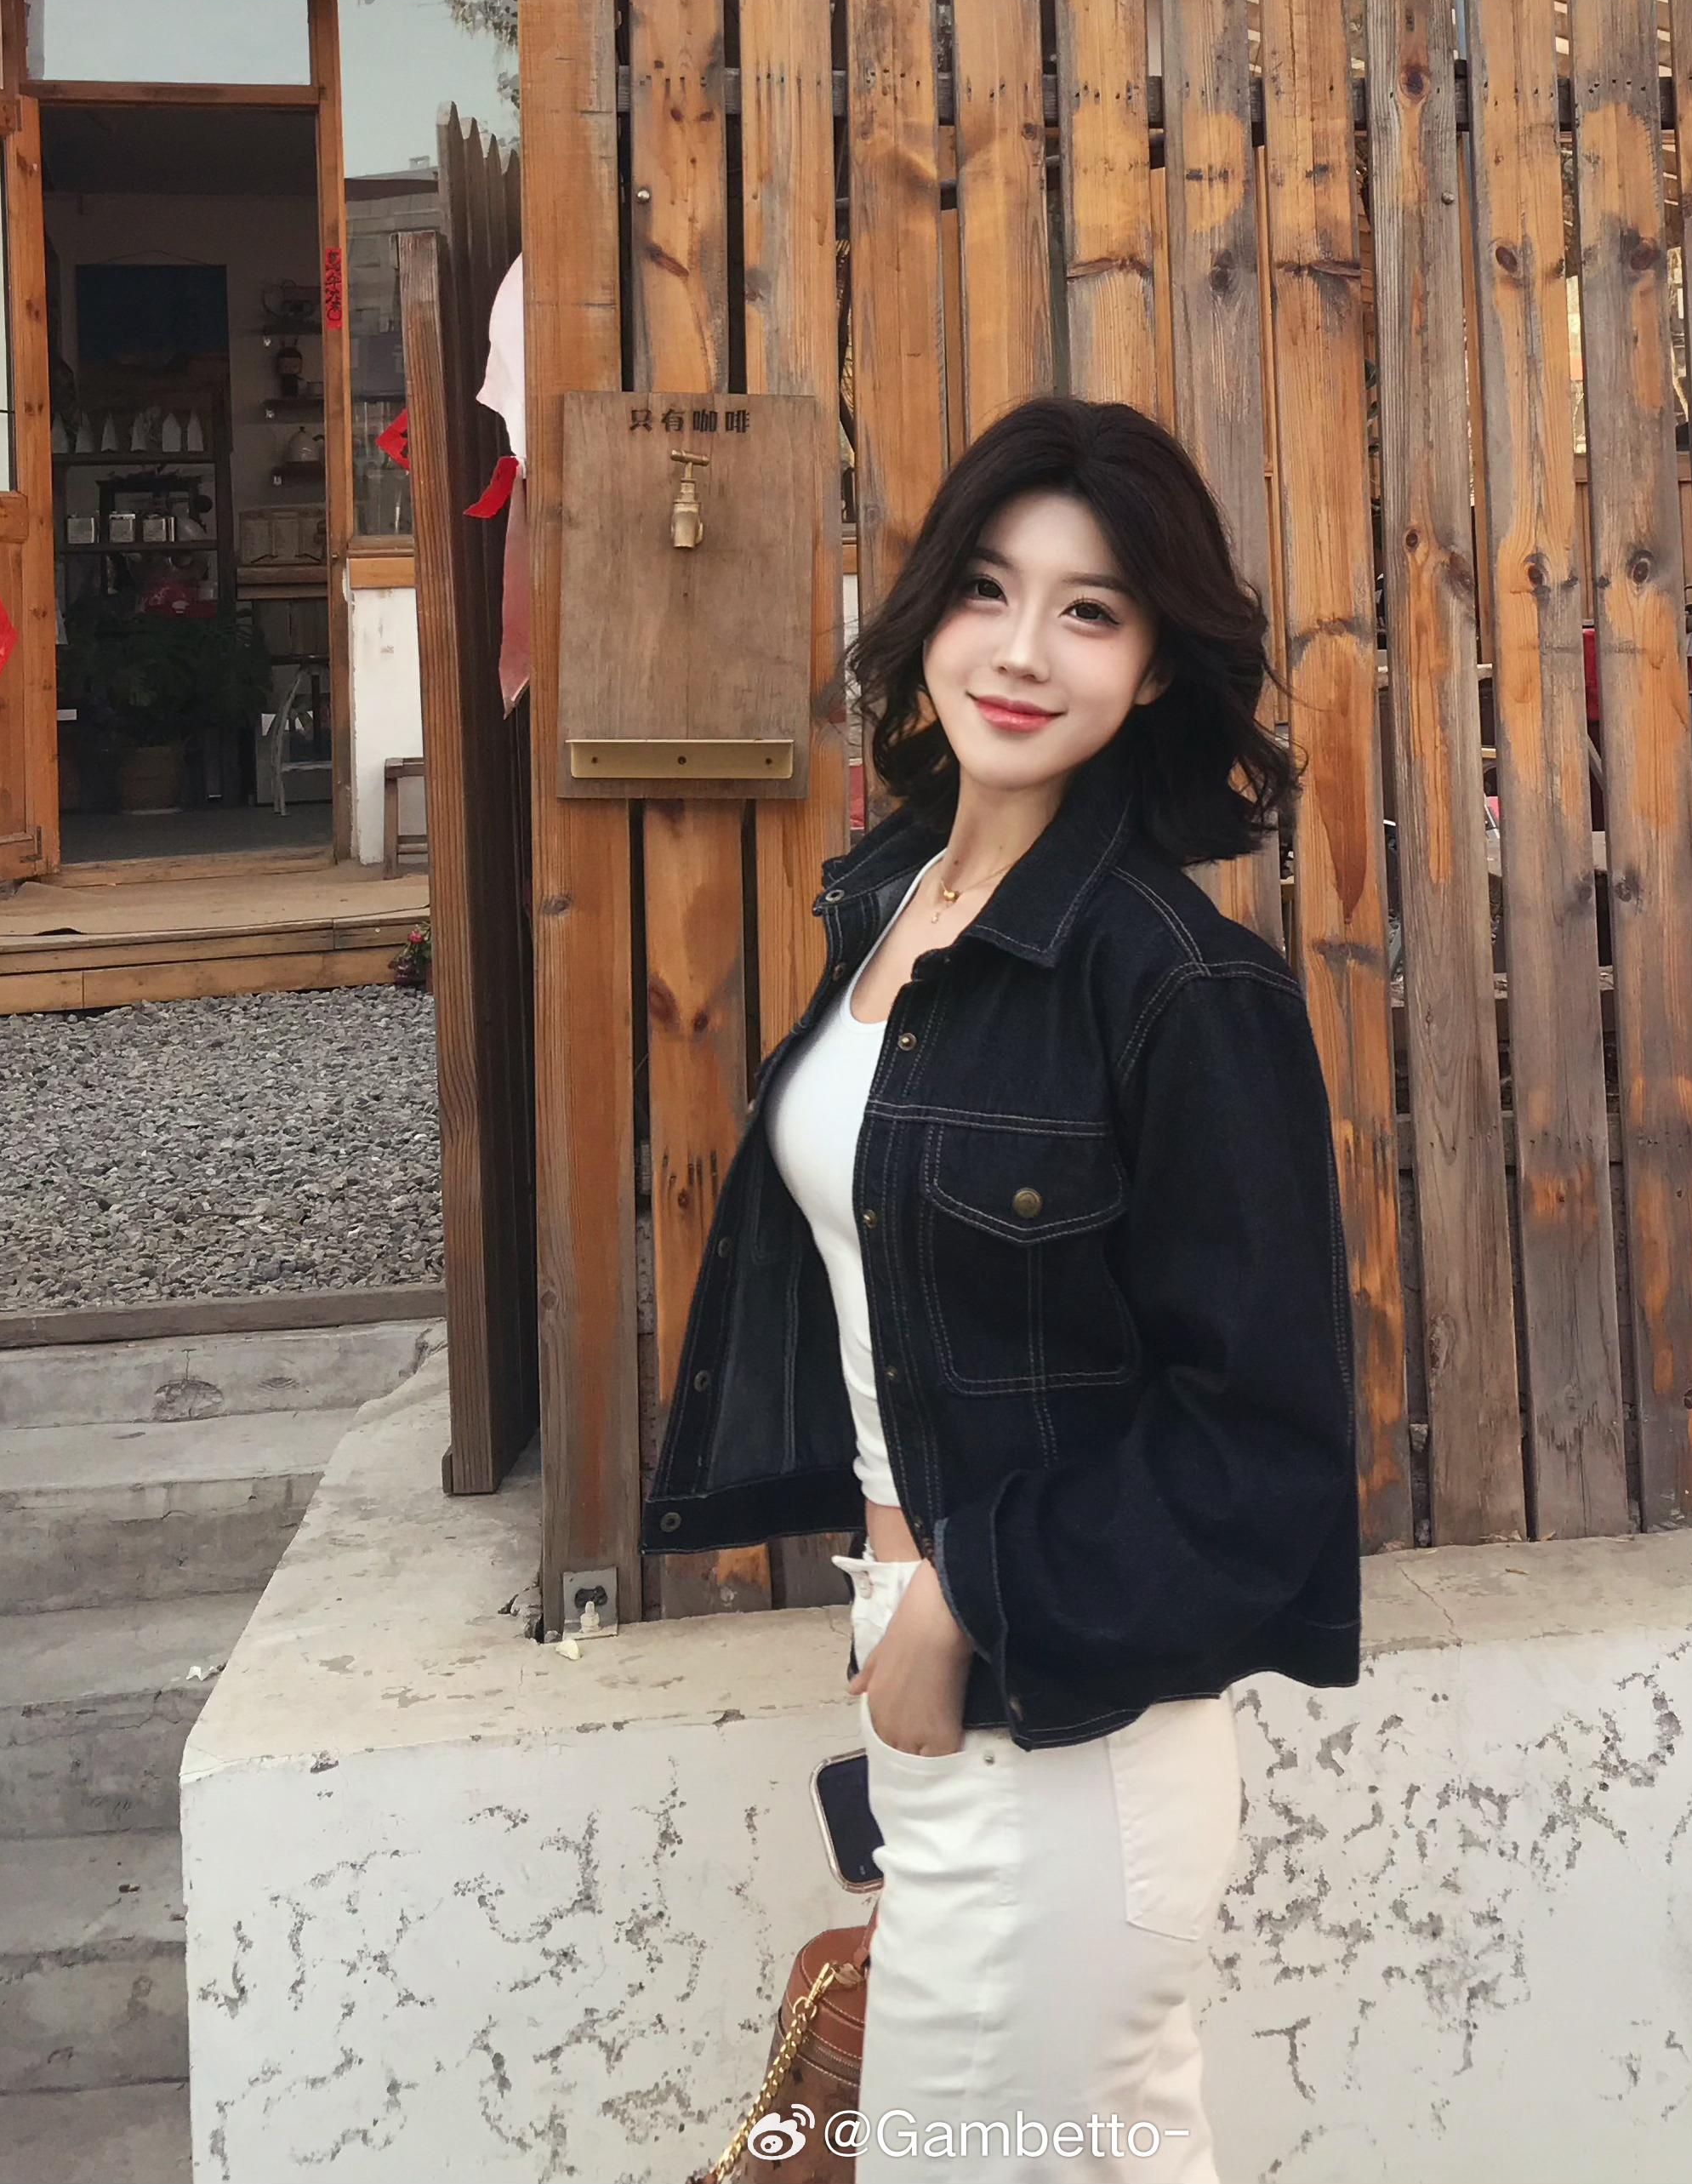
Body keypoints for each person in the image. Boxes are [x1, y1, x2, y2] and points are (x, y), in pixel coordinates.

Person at [643, 396, 1361, 2184]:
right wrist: (901, 1601)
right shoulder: (895, 900)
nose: (1022, 649)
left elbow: (1262, 1445)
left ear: (1154, 665)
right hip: (933, 1688)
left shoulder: (1177, 983)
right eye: (985, 587)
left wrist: (966, 1591)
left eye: (1088, 610)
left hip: (1062, 1736)